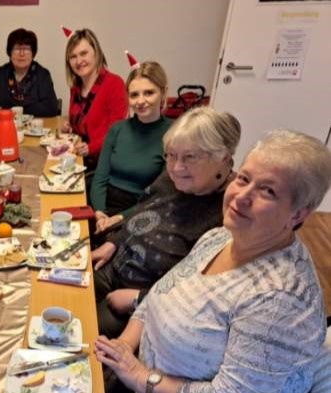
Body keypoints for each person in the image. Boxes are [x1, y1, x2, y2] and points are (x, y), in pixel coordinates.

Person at [95, 130, 331, 393]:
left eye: (268, 191)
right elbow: (160, 293)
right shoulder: (221, 237)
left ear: (299, 213)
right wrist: (125, 345)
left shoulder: (280, 301)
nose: (241, 196)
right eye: (244, 178)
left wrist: (141, 377)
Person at [92, 107, 240, 339]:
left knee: (78, 335)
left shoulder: (230, 211)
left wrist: (140, 299)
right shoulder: (174, 176)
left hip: (146, 303)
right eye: (170, 155)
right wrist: (112, 242)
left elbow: (203, 292)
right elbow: (141, 210)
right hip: (114, 267)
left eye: (190, 157)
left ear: (223, 157)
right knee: (57, 292)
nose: (176, 167)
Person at [90, 61, 172, 228]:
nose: (140, 101)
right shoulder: (117, 129)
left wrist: (120, 218)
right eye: (134, 95)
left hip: (141, 210)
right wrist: (99, 214)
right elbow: (100, 178)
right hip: (103, 207)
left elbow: (162, 194)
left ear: (163, 93)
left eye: (149, 93)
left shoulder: (174, 135)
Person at [61, 28, 128, 170]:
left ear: (96, 52)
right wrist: (70, 127)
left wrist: (90, 148)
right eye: (73, 57)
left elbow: (116, 133)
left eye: (83, 53)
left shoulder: (114, 84)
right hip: (80, 160)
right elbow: (83, 127)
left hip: (105, 165)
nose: (79, 61)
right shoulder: (75, 87)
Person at [0, 28, 59, 124]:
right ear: (10, 53)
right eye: (17, 49)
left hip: (35, 131)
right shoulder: (0, 73)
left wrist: (12, 111)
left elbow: (51, 107)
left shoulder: (42, 74)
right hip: (5, 128)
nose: (21, 54)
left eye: (26, 49)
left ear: (33, 53)